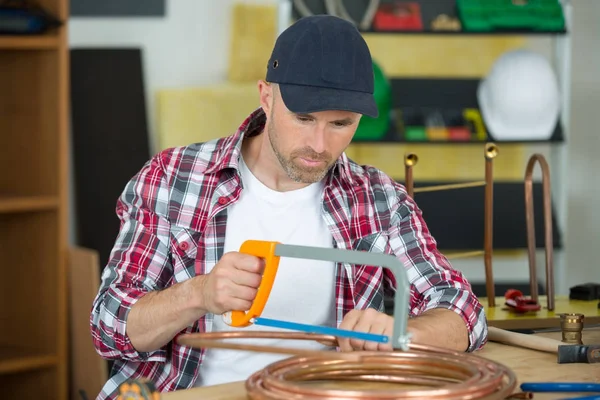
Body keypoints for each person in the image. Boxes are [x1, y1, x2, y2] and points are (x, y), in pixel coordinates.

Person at [90, 14, 487, 400]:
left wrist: (402, 333)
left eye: (340, 124)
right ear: (266, 96)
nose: (319, 144)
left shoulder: (379, 200)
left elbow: (463, 311)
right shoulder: (174, 178)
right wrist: (198, 294)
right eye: (303, 117)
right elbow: (108, 326)